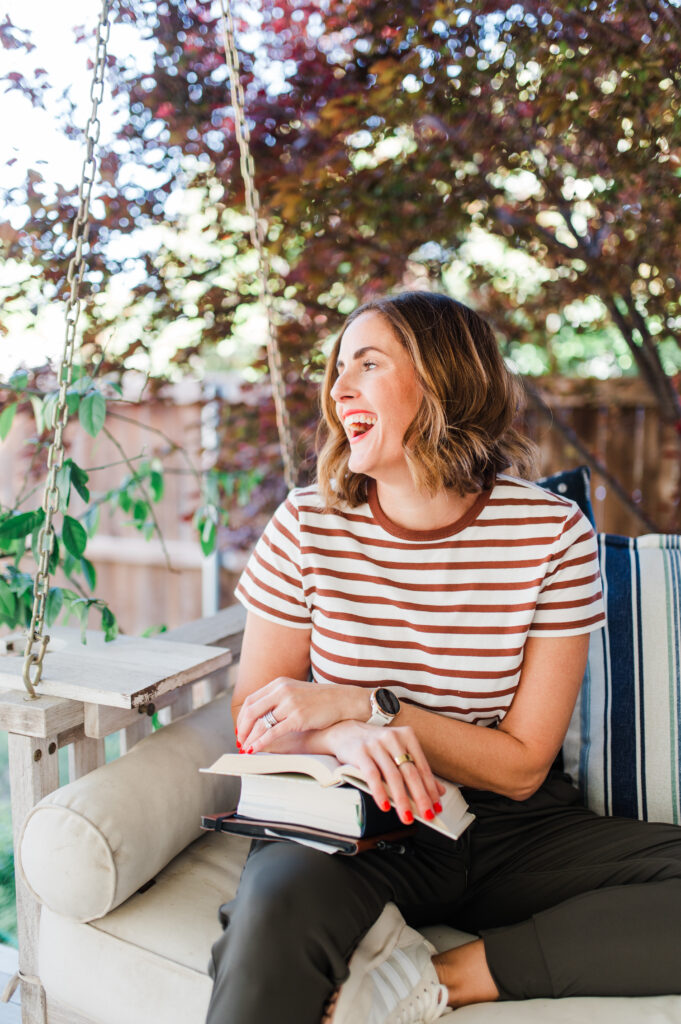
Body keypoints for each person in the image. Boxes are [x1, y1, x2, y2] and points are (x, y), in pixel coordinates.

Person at [206, 291, 681, 1024]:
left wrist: (371, 703)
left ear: (443, 380)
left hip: (507, 827)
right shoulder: (305, 525)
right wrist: (344, 733)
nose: (337, 390)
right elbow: (255, 716)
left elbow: (521, 767)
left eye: (366, 364)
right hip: (360, 814)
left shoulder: (550, 533)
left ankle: (445, 975)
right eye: (337, 369)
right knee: (273, 906)